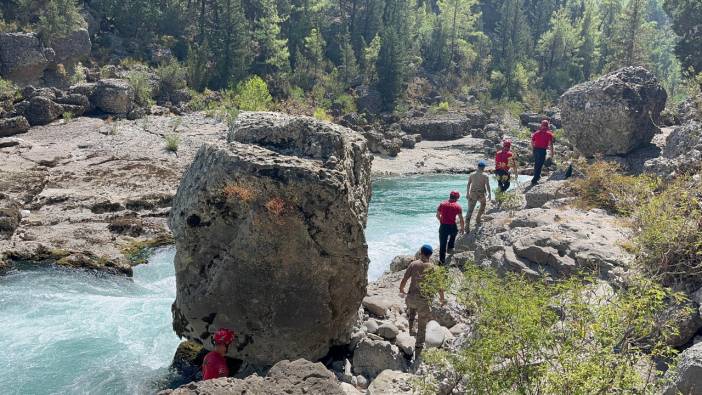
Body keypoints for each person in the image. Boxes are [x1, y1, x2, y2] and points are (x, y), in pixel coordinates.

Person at [399, 244, 445, 357]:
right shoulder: (434, 268)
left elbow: (404, 279)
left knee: (412, 308)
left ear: (421, 253)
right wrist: (442, 299)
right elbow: (440, 287)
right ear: (430, 255)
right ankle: (418, 348)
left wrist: (401, 289)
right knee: (422, 326)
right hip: (423, 302)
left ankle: (410, 328)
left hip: (410, 299)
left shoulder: (413, 264)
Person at [436, 191, 464, 264]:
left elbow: (437, 215)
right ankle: (450, 247)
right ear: (457, 198)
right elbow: (461, 219)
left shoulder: (442, 204)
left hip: (443, 226)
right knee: (454, 233)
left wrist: (441, 221)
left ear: (450, 196)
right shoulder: (458, 206)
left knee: (442, 244)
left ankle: (441, 261)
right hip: (452, 226)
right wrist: (462, 228)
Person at [466, 160, 491, 232]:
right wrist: (489, 194)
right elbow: (487, 185)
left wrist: (467, 193)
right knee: (483, 205)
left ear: (478, 167)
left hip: (472, 194)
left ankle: (467, 227)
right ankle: (478, 218)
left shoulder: (472, 174)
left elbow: (468, 184)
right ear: (484, 167)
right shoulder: (485, 175)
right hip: (481, 194)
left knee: (470, 210)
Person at [531, 120, 555, 185]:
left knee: (536, 164)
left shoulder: (536, 132)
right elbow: (551, 144)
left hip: (536, 149)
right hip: (542, 150)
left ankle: (537, 176)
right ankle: (534, 180)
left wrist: (533, 149)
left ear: (541, 126)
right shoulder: (549, 134)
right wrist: (552, 153)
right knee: (540, 164)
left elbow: (532, 141)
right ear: (547, 126)